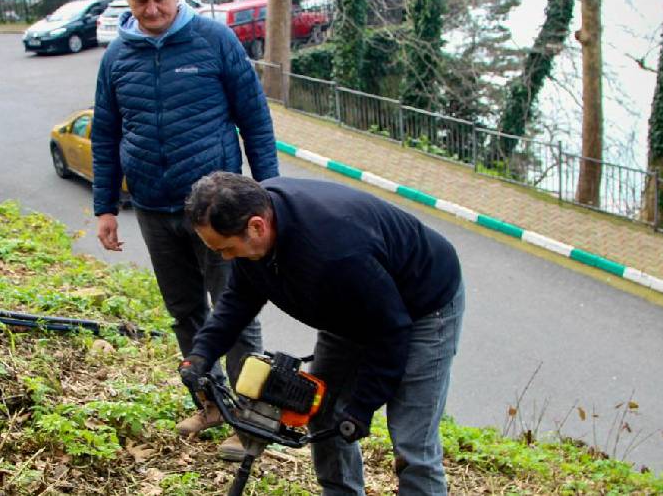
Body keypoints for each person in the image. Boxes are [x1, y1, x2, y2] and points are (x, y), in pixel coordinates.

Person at [90, 0, 277, 460]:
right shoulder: (117, 56)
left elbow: (254, 119)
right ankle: (210, 404)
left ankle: (252, 419)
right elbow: (105, 133)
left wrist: (274, 191)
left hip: (218, 211)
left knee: (236, 312)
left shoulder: (214, 40)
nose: (151, 11)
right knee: (185, 313)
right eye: (140, 0)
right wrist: (105, 206)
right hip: (152, 205)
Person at [180, 172, 465, 495]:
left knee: (413, 441)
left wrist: (362, 408)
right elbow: (238, 300)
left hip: (424, 307)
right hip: (351, 307)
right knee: (325, 412)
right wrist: (201, 355)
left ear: (257, 226)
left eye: (227, 248)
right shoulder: (256, 225)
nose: (225, 258)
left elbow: (391, 330)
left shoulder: (335, 251)